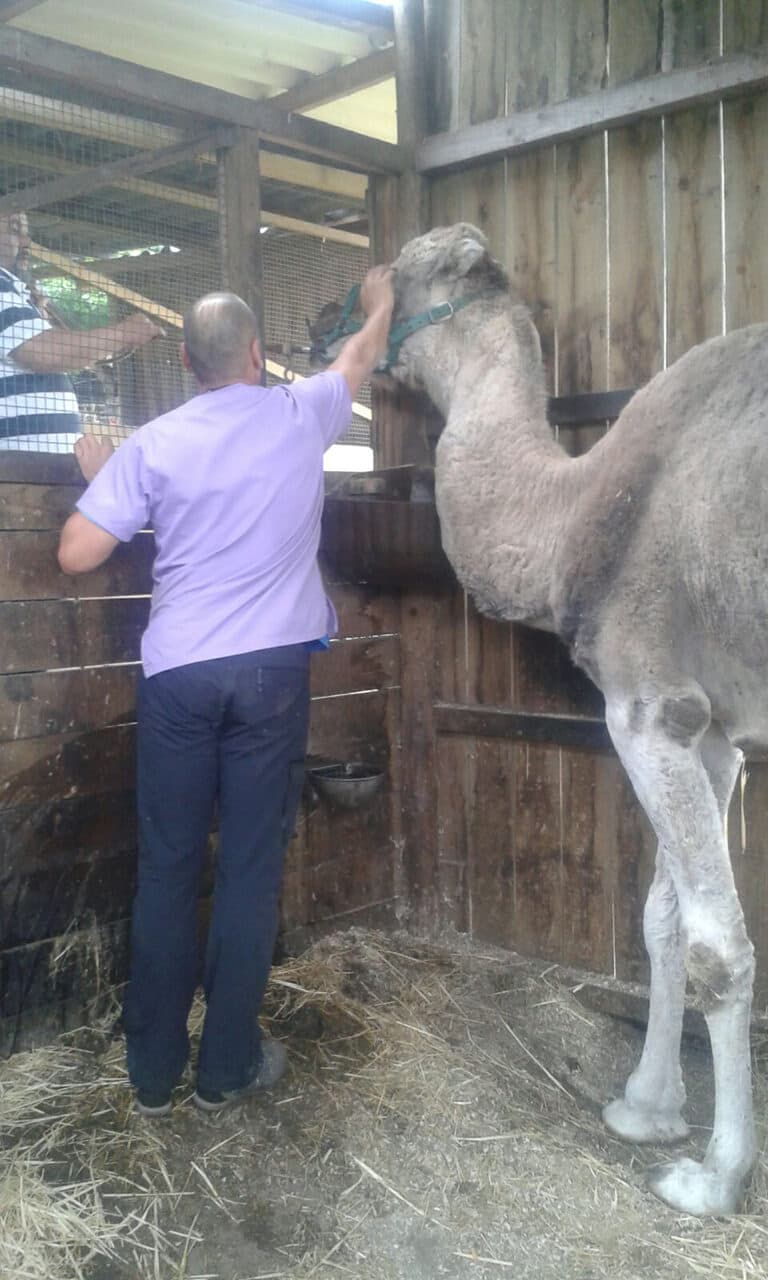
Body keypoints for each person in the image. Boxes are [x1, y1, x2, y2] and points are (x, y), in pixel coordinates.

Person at [57, 267, 395, 1116]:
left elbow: (76, 556)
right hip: (272, 677)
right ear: (255, 352)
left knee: (168, 869)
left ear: (182, 361)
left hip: (178, 674)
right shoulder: (300, 412)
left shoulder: (154, 443)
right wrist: (377, 300)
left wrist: (99, 481)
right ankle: (226, 1070)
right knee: (248, 872)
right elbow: (360, 354)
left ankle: (152, 1077)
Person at [0, 211, 161, 452]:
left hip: (30, 468)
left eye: (25, 232)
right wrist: (124, 332)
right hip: (15, 467)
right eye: (14, 230)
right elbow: (43, 352)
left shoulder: (13, 289)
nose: (25, 242)